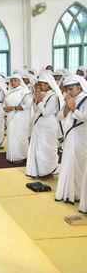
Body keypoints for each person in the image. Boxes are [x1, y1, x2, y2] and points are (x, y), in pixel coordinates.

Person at [55, 75, 87, 206]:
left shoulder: (85, 99)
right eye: (67, 89)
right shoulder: (69, 99)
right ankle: (67, 193)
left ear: (80, 87)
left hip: (80, 137)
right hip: (69, 137)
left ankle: (78, 194)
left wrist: (73, 108)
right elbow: (59, 117)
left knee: (78, 164)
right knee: (67, 163)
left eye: (71, 88)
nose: (69, 91)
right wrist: (67, 108)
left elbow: (84, 118)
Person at [25, 72, 62, 178]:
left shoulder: (53, 96)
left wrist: (39, 101)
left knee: (46, 149)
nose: (40, 86)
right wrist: (36, 101)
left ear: (48, 84)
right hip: (39, 126)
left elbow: (46, 113)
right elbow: (37, 110)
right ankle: (37, 170)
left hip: (48, 127)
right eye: (39, 84)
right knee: (38, 149)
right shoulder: (43, 95)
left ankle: (47, 169)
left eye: (42, 84)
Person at [4, 74, 33, 163]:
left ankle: (21, 156)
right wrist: (6, 109)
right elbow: (5, 104)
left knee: (19, 136)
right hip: (10, 116)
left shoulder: (24, 91)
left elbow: (27, 105)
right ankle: (11, 156)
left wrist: (13, 108)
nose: (13, 82)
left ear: (20, 81)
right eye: (12, 80)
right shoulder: (10, 91)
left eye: (15, 80)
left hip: (20, 117)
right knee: (11, 136)